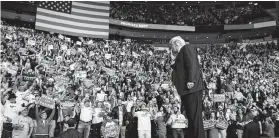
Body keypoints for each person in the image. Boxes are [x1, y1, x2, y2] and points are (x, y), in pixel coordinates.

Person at [170, 36, 206, 138]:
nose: (171, 49)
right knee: (191, 118)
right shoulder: (180, 54)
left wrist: (191, 79)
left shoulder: (186, 48)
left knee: (195, 118)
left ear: (176, 44)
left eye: (171, 46)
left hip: (191, 88)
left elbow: (192, 63)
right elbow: (177, 68)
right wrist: (173, 58)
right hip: (187, 91)